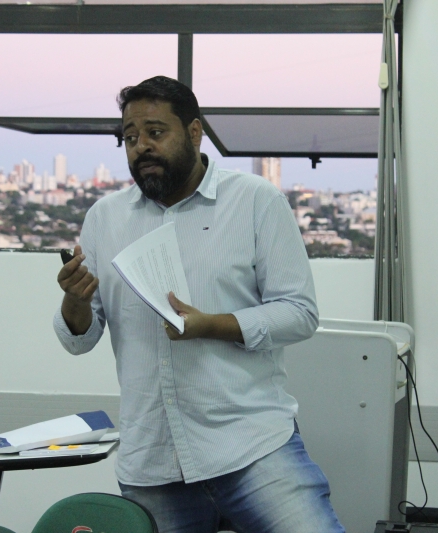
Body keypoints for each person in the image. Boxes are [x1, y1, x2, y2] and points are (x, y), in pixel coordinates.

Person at [53, 76, 344, 533]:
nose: (141, 147)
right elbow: (79, 339)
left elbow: (299, 313)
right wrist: (75, 301)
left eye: (155, 132)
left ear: (194, 132)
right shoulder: (105, 218)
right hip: (153, 461)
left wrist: (211, 325)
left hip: (252, 447)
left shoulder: (255, 201)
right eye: (130, 137)